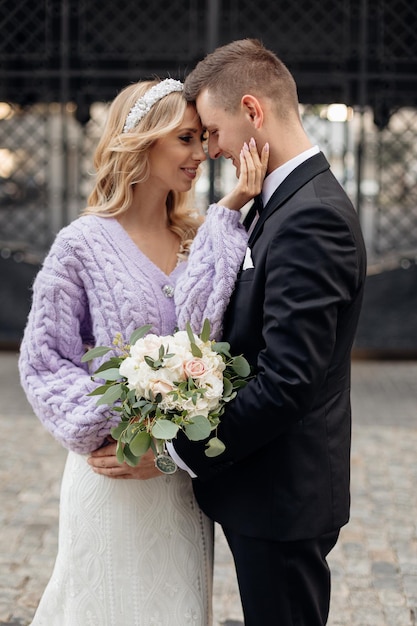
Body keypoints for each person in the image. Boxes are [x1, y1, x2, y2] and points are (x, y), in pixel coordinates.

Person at [19, 77, 268, 626]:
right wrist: (110, 424)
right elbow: (43, 359)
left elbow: (206, 336)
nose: (200, 153)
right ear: (143, 142)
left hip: (176, 474)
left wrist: (232, 208)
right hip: (111, 470)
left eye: (203, 138)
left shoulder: (201, 236)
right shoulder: (80, 246)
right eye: (185, 138)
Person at [167, 39, 367, 626]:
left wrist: (188, 448)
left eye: (212, 129)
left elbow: (287, 380)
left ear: (253, 111)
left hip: (284, 493)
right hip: (269, 487)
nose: (211, 148)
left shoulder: (312, 216)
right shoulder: (279, 202)